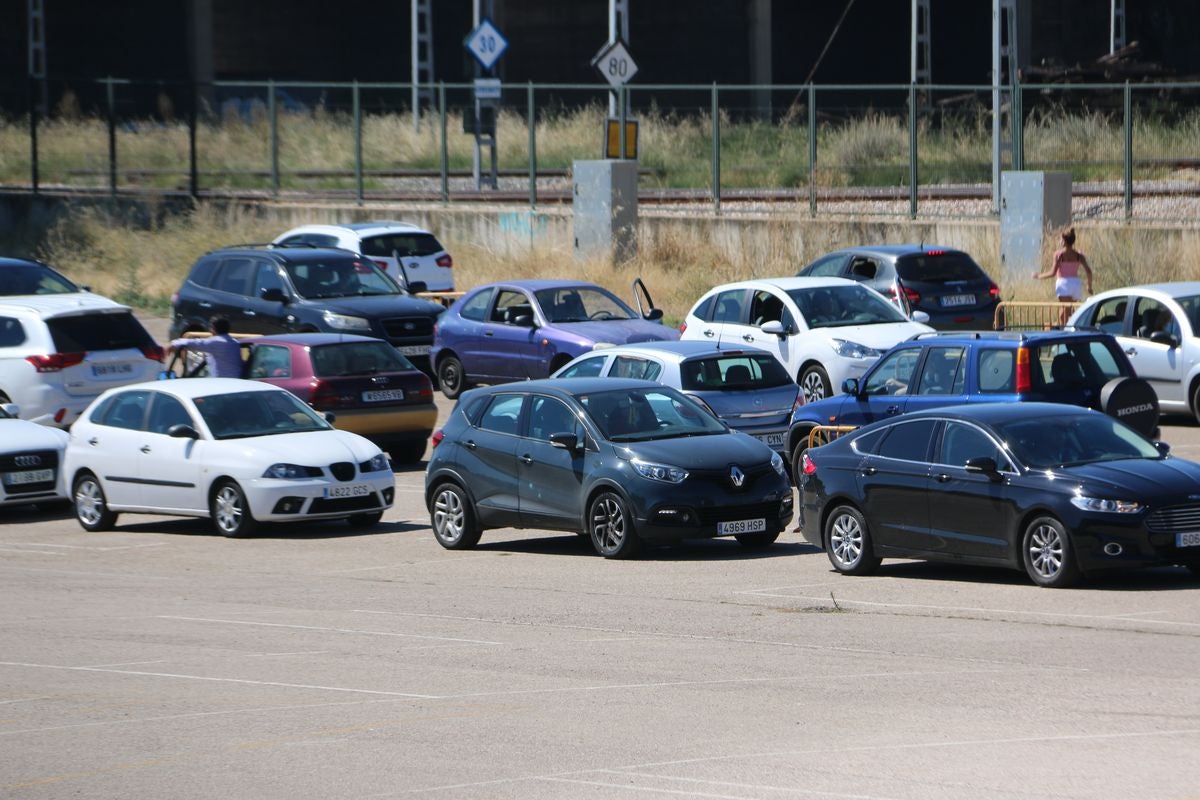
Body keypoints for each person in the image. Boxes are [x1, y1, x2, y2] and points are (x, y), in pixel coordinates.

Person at [1034, 226, 1094, 327]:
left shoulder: (1059, 255)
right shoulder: (1079, 255)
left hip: (1063, 283)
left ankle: (1065, 331)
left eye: (1061, 239)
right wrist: (1089, 286)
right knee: (1069, 309)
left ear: (1064, 241)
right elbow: (1088, 271)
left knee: (1065, 310)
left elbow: (1052, 272)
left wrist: (1039, 276)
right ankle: (1069, 327)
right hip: (1075, 284)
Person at [168, 317, 243, 378]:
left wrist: (174, 344)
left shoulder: (215, 342)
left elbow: (193, 343)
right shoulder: (235, 343)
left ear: (213, 329)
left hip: (220, 384)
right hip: (236, 382)